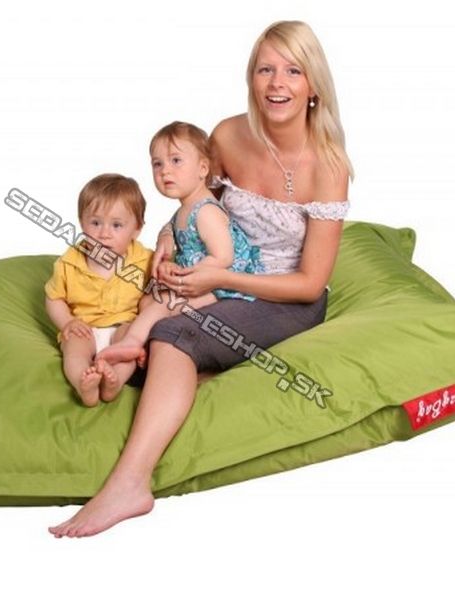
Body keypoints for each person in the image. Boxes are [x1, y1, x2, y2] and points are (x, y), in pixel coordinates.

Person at [48, 20, 354, 537]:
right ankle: (170, 372)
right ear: (251, 77)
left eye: (293, 71)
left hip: (284, 297)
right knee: (147, 312)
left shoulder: (329, 165)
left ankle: (129, 485)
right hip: (218, 275)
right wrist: (168, 237)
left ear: (313, 85)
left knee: (173, 331)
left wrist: (219, 277)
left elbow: (308, 283)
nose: (277, 83)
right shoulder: (229, 135)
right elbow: (195, 201)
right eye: (265, 69)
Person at [95, 121, 264, 367]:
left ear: (202, 168)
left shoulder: (206, 212)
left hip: (225, 289)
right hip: (203, 281)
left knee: (162, 304)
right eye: (157, 164)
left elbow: (224, 258)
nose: (165, 171)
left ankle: (131, 342)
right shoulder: (186, 208)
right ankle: (141, 350)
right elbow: (175, 236)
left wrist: (183, 277)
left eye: (176, 161)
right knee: (147, 301)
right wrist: (168, 254)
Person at [43, 173, 153, 408]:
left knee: (131, 346)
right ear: (82, 223)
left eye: (117, 225)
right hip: (85, 328)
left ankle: (114, 382)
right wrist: (68, 322)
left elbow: (157, 294)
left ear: (136, 229)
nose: (104, 233)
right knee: (74, 349)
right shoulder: (69, 262)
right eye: (95, 223)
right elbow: (54, 298)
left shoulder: (144, 260)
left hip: (124, 328)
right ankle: (84, 383)